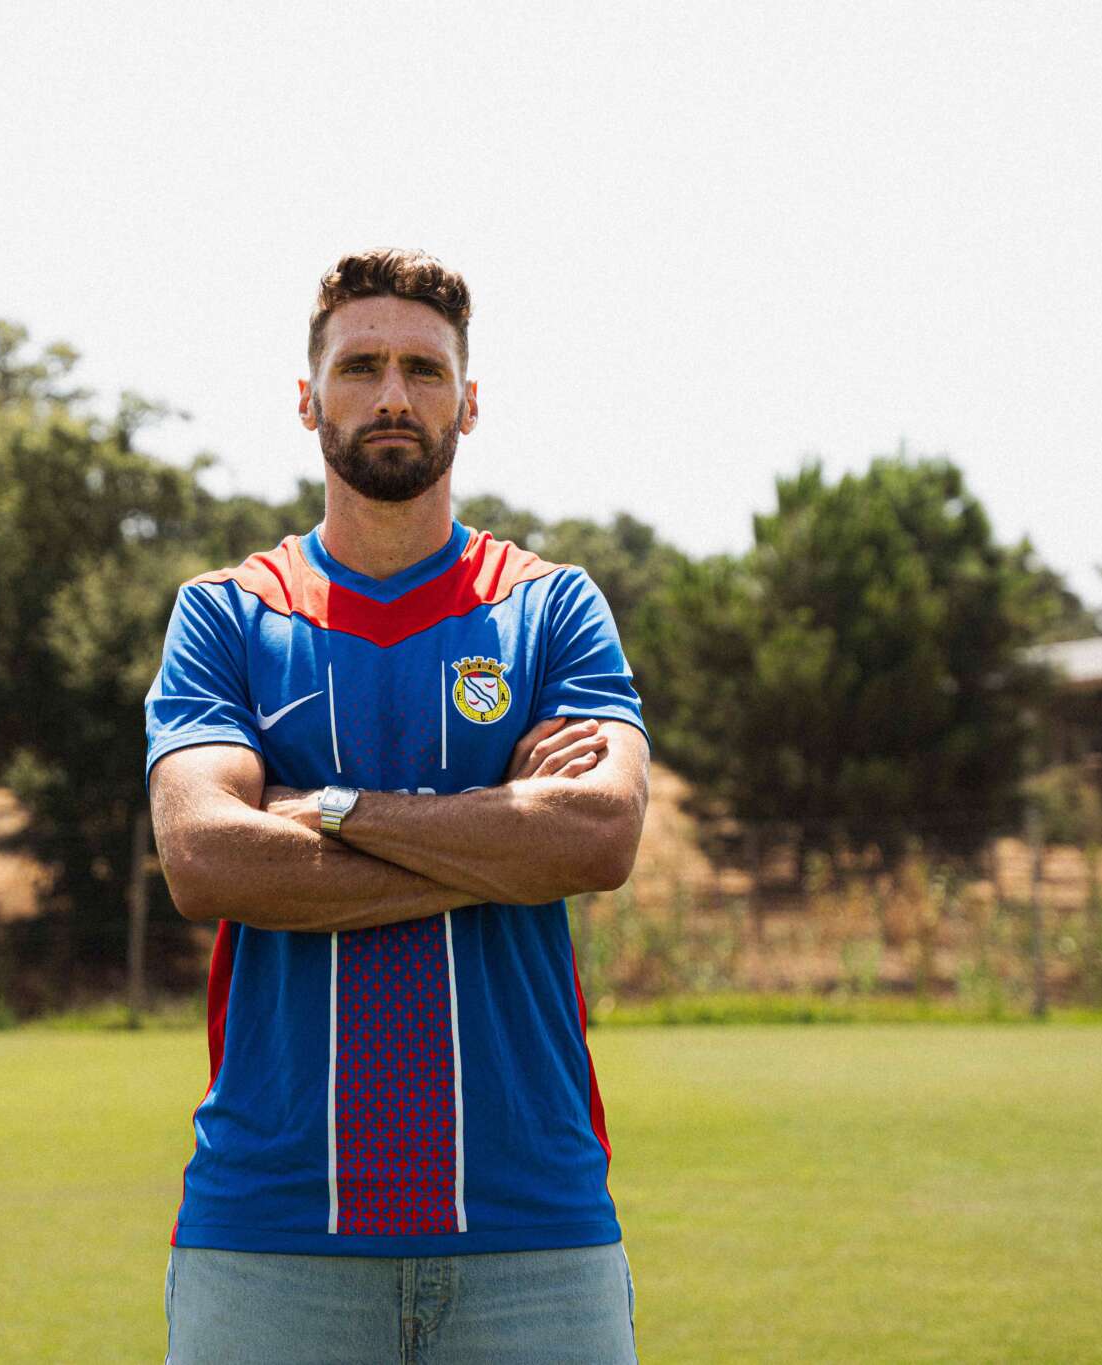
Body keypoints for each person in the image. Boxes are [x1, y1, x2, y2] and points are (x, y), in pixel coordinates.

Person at [145, 248, 651, 1364]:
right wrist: (498, 834)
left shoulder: (550, 608)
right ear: (307, 397)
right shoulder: (226, 615)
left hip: (534, 1229)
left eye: (424, 370)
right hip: (269, 1232)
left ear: (467, 402)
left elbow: (598, 836)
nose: (391, 395)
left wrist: (324, 808)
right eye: (359, 366)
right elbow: (205, 859)